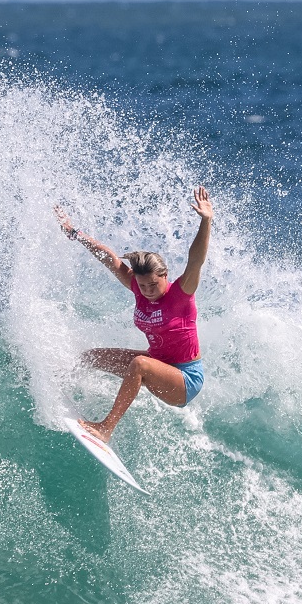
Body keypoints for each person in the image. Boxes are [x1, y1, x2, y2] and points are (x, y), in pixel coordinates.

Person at [55, 186, 213, 444]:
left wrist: (206, 221)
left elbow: (195, 260)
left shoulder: (181, 293)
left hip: (185, 379)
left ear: (165, 276)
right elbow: (108, 258)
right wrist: (73, 232)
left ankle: (106, 428)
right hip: (159, 363)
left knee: (139, 364)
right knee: (92, 357)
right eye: (143, 286)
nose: (148, 291)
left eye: (154, 284)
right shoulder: (138, 287)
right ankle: (57, 382)